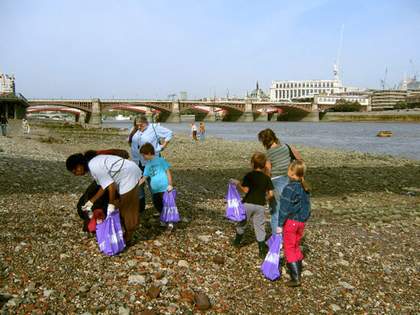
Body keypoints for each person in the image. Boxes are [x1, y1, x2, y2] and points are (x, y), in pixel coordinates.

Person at [66, 150, 142, 243]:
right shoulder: (93, 164)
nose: (76, 174)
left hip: (129, 175)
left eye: (75, 171)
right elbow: (104, 186)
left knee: (127, 207)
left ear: (79, 165)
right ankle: (119, 231)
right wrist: (91, 201)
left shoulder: (94, 165)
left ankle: (128, 236)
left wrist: (111, 203)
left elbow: (111, 186)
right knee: (119, 205)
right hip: (124, 174)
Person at [230, 152, 274, 258]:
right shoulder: (266, 178)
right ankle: (262, 250)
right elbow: (271, 194)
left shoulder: (249, 175)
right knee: (260, 227)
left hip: (248, 204)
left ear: (252, 164)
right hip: (260, 206)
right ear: (264, 165)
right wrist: (264, 199)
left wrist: (237, 184)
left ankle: (237, 243)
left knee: (242, 223)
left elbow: (245, 190)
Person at [258, 128, 301, 236]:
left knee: (275, 213)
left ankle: (277, 240)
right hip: (289, 181)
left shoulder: (268, 154)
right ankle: (290, 236)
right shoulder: (287, 147)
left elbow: (268, 171)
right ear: (274, 137)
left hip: (276, 182)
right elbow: (300, 160)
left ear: (264, 141)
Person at [276, 160, 311, 287]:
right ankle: (298, 269)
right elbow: (307, 206)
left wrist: (280, 225)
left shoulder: (289, 188)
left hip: (291, 222)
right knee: (296, 245)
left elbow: (284, 209)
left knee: (289, 248)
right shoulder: (304, 187)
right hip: (301, 222)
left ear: (291, 172)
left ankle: (295, 278)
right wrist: (304, 218)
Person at [128, 115, 173, 213]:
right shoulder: (135, 130)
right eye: (137, 125)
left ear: (146, 123)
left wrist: (162, 146)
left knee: (154, 187)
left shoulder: (154, 127)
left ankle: (162, 210)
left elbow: (169, 133)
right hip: (137, 162)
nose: (139, 127)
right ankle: (140, 208)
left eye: (141, 125)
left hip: (152, 161)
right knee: (139, 186)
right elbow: (131, 142)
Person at [139, 142, 174, 230]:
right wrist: (136, 185)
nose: (143, 157)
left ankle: (170, 222)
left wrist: (170, 184)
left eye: (144, 155)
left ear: (150, 153)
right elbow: (145, 177)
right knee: (157, 203)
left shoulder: (160, 160)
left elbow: (168, 172)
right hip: (155, 189)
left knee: (167, 204)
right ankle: (163, 218)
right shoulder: (147, 164)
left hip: (164, 187)